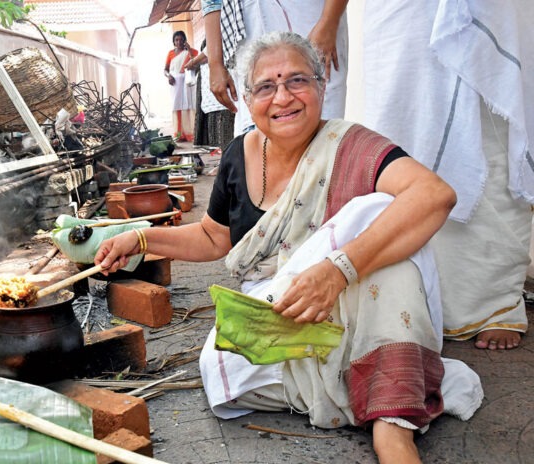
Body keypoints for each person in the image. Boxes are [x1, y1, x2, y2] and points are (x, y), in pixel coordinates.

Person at [96, 32, 483, 463]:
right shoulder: (237, 156)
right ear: (247, 98)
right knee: (218, 367)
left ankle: (392, 426)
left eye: (297, 80)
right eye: (266, 86)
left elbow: (435, 196)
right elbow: (213, 237)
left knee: (383, 226)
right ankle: (367, 385)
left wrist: (339, 270)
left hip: (352, 302)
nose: (283, 97)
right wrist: (143, 237)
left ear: (321, 86)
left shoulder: (350, 145)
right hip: (281, 318)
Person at [362, 0, 534, 350]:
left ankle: (496, 305)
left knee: (493, 146)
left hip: (492, 11)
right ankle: (408, 302)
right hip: (402, 22)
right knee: (403, 140)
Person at [201, 0, 349, 136]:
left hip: (310, 19)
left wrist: (329, 21)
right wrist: (215, 63)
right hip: (247, 25)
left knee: (320, 132)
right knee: (259, 133)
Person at [185, 41, 235, 149]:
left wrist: (193, 61)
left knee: (227, 132)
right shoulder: (207, 38)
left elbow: (212, 50)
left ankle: (228, 162)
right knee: (220, 134)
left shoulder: (220, 33)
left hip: (224, 91)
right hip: (212, 93)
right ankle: (224, 161)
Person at [164, 30, 199, 142]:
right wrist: (169, 76)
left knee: (188, 106)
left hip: (187, 82)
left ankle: (190, 133)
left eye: (181, 39)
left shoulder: (190, 51)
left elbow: (196, 59)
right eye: (176, 40)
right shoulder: (170, 53)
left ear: (184, 41)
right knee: (177, 106)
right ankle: (179, 133)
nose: (179, 42)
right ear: (173, 42)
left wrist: (188, 48)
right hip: (175, 84)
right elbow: (165, 69)